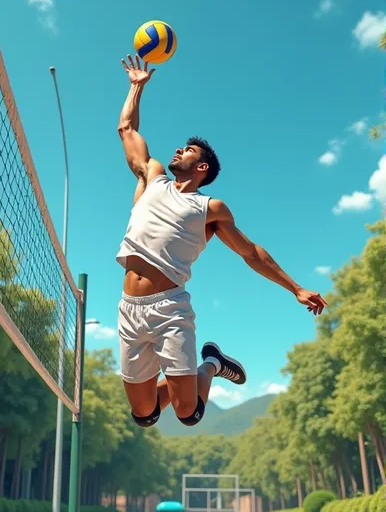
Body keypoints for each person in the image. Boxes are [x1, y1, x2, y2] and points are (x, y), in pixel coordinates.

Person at [116, 55, 327, 429]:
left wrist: (294, 288)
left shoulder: (210, 208)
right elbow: (126, 129)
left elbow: (250, 253)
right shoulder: (152, 176)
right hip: (129, 308)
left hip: (169, 309)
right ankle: (203, 368)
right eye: (181, 147)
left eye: (189, 151)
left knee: (188, 413)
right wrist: (137, 85)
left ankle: (211, 364)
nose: (179, 150)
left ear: (202, 169)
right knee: (145, 415)